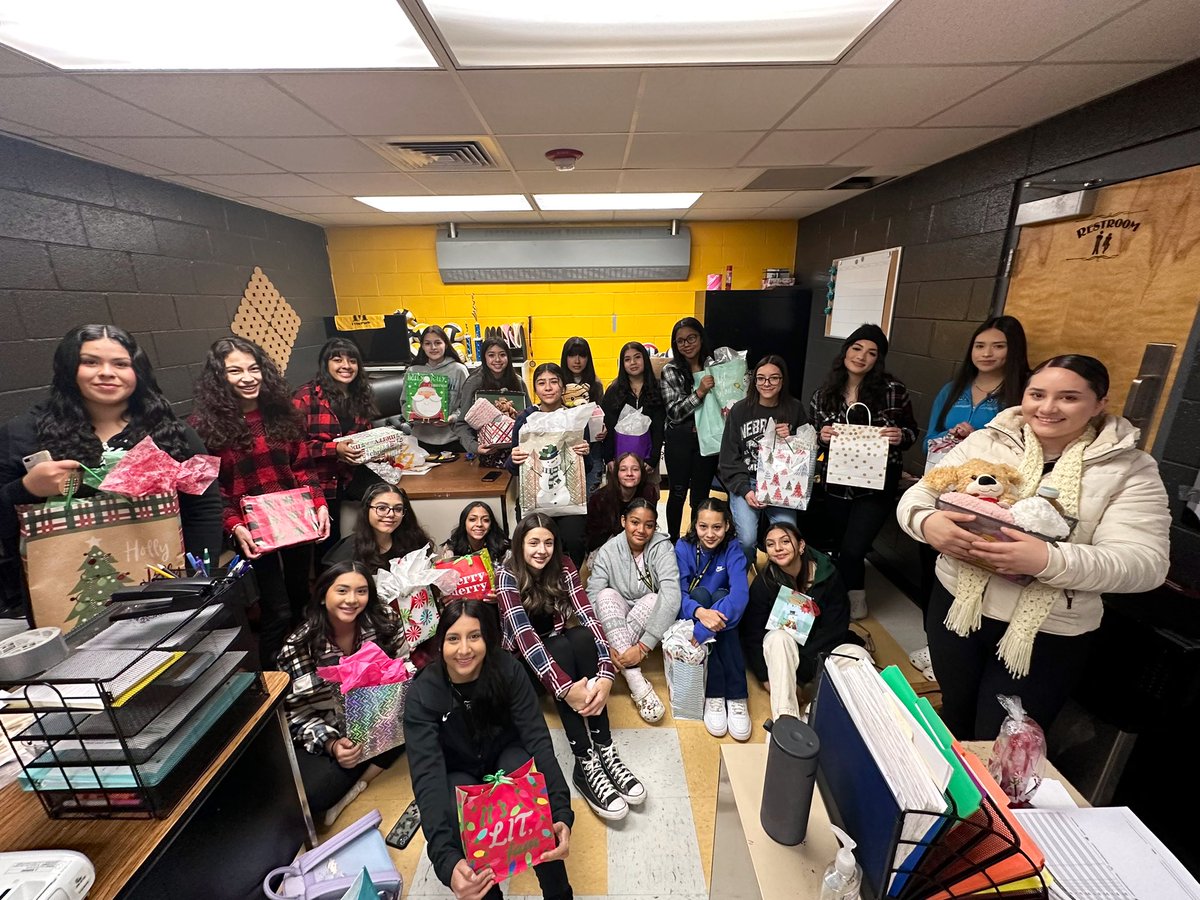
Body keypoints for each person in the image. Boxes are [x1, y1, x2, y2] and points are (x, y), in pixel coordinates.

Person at [897, 355, 1170, 740]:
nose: (1047, 407)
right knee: (955, 713)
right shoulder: (987, 440)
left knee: (1000, 738)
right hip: (958, 607)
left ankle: (990, 800)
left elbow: (1146, 563)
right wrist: (927, 524)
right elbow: (920, 495)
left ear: (1099, 403)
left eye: (1068, 397)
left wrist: (1048, 560)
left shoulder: (1130, 469)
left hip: (1048, 631)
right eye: (1037, 394)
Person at [0, 325, 223, 618]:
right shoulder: (23, 434)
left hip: (165, 588)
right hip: (65, 600)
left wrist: (195, 577)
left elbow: (205, 506)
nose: (106, 372)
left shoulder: (174, 432)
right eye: (90, 362)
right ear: (68, 369)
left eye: (121, 364)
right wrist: (25, 489)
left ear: (138, 372)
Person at [405, 600, 573, 900]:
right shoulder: (423, 693)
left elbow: (538, 740)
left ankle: (558, 891)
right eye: (453, 639)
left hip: (504, 758)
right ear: (439, 643)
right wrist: (446, 859)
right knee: (455, 793)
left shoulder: (508, 670)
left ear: (488, 639)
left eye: (475, 636)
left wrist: (559, 812)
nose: (464, 649)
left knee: (520, 768)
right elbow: (427, 777)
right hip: (458, 775)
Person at [190, 336, 330, 668]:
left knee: (301, 598)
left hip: (295, 522)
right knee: (276, 610)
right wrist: (233, 525)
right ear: (219, 378)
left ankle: (307, 668)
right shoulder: (202, 428)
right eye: (235, 370)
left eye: (254, 368)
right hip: (251, 530)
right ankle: (272, 684)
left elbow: (303, 467)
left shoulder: (282, 413)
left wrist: (320, 504)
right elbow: (211, 490)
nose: (248, 377)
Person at [496, 513, 645, 821]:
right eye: (533, 542)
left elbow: (588, 615)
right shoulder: (507, 574)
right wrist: (566, 689)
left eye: (548, 542)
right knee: (561, 645)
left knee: (579, 637)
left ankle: (604, 747)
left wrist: (605, 675)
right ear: (520, 544)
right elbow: (525, 638)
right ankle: (584, 759)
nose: (542, 550)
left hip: (556, 654)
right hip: (522, 667)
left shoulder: (563, 565)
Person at [912, 316, 1030, 680]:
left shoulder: (1022, 393)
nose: (987, 353)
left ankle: (968, 647)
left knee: (981, 569)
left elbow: (1026, 451)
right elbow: (930, 435)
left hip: (996, 503)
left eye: (998, 346)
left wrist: (977, 435)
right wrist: (952, 436)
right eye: (980, 345)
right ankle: (937, 642)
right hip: (946, 493)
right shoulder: (953, 389)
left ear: (1014, 351)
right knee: (934, 570)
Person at [278, 561, 408, 827]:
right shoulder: (298, 647)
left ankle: (362, 782)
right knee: (312, 796)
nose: (352, 599)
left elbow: (405, 670)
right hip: (333, 730)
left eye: (361, 591)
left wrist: (385, 718)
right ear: (324, 596)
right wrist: (332, 744)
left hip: (383, 722)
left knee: (420, 721)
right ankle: (365, 769)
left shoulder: (385, 623)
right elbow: (295, 713)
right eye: (342, 591)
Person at [810, 324, 918, 620]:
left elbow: (911, 432)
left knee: (855, 547)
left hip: (877, 484)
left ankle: (850, 600)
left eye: (871, 353)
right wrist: (823, 435)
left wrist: (900, 436)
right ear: (846, 350)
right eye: (857, 348)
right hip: (837, 482)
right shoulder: (824, 394)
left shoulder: (893, 390)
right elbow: (813, 432)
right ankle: (842, 594)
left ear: (878, 359)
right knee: (841, 543)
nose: (862, 357)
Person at [742, 522, 852, 724]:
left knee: (858, 657)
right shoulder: (765, 582)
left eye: (785, 541)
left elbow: (836, 628)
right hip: (780, 654)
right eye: (770, 544)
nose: (778, 548)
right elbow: (752, 633)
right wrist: (766, 678)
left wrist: (800, 678)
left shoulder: (828, 576)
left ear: (801, 546)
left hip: (819, 653)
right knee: (778, 638)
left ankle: (815, 716)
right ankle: (787, 722)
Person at [587, 498, 681, 723]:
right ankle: (636, 680)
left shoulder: (662, 548)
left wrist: (643, 646)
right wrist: (605, 645)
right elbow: (591, 596)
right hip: (615, 615)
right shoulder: (608, 550)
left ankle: (613, 665)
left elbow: (671, 595)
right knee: (605, 596)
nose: (641, 530)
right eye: (635, 522)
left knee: (654, 598)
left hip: (648, 619)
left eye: (649, 525)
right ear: (623, 521)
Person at [674, 499, 752, 741]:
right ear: (695, 525)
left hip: (719, 620)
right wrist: (700, 614)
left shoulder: (733, 549)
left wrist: (704, 629)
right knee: (700, 595)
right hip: (695, 614)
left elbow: (740, 595)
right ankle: (717, 694)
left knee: (722, 595)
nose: (709, 534)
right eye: (703, 526)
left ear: (727, 525)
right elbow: (678, 594)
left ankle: (735, 698)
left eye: (716, 527)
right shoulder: (682, 547)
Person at [718, 354, 807, 563]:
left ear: (782, 380)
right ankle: (743, 577)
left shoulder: (794, 409)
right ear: (754, 380)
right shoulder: (739, 410)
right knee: (747, 539)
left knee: (789, 537)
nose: (767, 383)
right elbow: (728, 458)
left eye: (774, 378)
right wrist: (744, 490)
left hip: (783, 484)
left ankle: (781, 580)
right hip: (747, 482)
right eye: (761, 378)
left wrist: (793, 437)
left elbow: (808, 452)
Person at [293, 337, 377, 553]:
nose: (346, 366)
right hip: (318, 483)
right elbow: (293, 448)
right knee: (326, 545)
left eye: (352, 361)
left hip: (349, 476)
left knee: (387, 500)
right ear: (325, 364)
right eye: (338, 360)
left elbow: (363, 435)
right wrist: (334, 450)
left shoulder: (360, 395)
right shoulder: (305, 398)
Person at [508, 363, 589, 568]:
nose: (548, 387)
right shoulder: (524, 418)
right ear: (534, 388)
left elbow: (587, 467)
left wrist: (585, 454)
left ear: (562, 387)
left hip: (569, 499)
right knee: (534, 543)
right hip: (535, 499)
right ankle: (538, 590)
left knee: (574, 541)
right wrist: (514, 458)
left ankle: (569, 584)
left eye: (554, 382)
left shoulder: (576, 417)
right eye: (541, 383)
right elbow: (511, 467)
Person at [659, 317, 719, 541]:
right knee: (677, 492)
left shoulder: (715, 366)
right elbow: (674, 412)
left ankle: (696, 539)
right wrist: (700, 392)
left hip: (709, 438)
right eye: (680, 341)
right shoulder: (671, 370)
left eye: (691, 338)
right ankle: (673, 540)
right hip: (680, 441)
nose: (687, 344)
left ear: (701, 338)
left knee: (701, 496)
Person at [323, 482, 432, 572]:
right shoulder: (346, 555)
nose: (390, 514)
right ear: (366, 510)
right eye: (381, 508)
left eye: (398, 509)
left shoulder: (412, 541)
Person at [453, 336, 531, 459]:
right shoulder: (473, 383)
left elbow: (530, 417)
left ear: (508, 357)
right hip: (486, 453)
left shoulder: (518, 381)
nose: (497, 359)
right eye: (491, 355)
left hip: (516, 454)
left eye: (502, 355)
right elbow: (462, 424)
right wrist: (475, 447)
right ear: (484, 357)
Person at [600, 341, 666, 472]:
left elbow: (659, 427)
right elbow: (608, 426)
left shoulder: (657, 389)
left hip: (647, 462)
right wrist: (609, 459)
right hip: (619, 464)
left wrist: (652, 460)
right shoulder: (614, 391)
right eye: (627, 359)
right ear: (622, 364)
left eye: (637, 357)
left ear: (645, 360)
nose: (633, 362)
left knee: (648, 492)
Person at [408, 325, 469, 454]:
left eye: (437, 342)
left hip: (453, 440)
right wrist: (412, 415)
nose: (433, 347)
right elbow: (404, 404)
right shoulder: (413, 371)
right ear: (422, 346)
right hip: (421, 441)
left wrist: (452, 417)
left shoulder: (459, 370)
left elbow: (468, 405)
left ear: (446, 344)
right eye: (428, 343)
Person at [586, 452, 660, 552]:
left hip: (640, 543)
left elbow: (649, 526)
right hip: (606, 548)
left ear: (642, 472)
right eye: (623, 470)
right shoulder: (600, 499)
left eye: (635, 469)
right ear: (616, 473)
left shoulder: (649, 493)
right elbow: (593, 539)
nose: (629, 474)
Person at [560, 337, 605, 494]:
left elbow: (601, 415)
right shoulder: (557, 384)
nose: (577, 361)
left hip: (593, 451)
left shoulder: (596, 385)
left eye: (582, 355)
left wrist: (603, 428)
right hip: (564, 452)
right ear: (565, 357)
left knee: (591, 497)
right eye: (572, 355)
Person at [442, 500, 510, 563]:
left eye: (485, 520)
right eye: (473, 519)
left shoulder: (503, 547)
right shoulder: (452, 548)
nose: (479, 524)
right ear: (464, 523)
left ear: (491, 525)